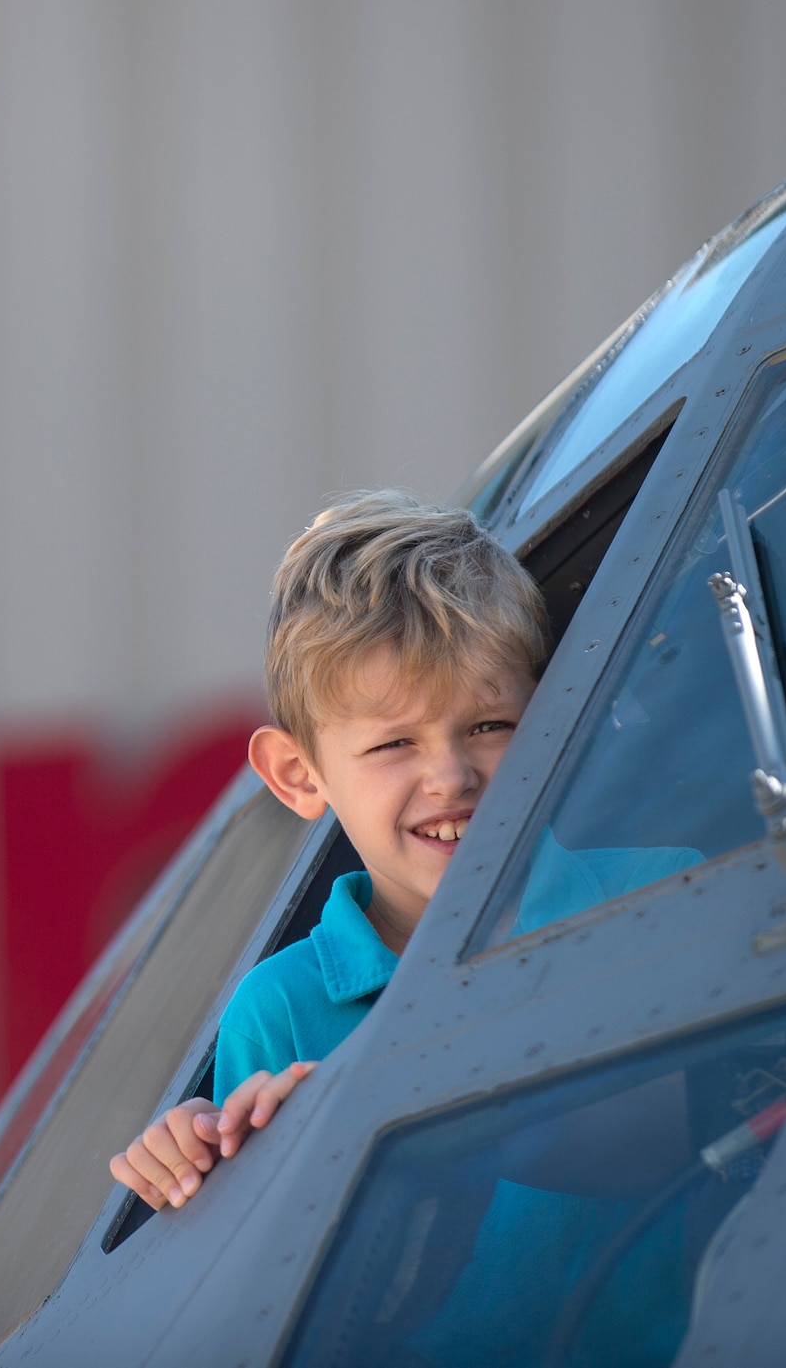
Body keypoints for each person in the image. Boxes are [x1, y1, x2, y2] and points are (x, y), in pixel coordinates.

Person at [111, 488, 549, 1213]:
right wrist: (202, 1163)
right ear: (298, 775)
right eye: (393, 743)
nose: (451, 776)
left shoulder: (659, 891)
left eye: (490, 724)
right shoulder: (278, 1009)